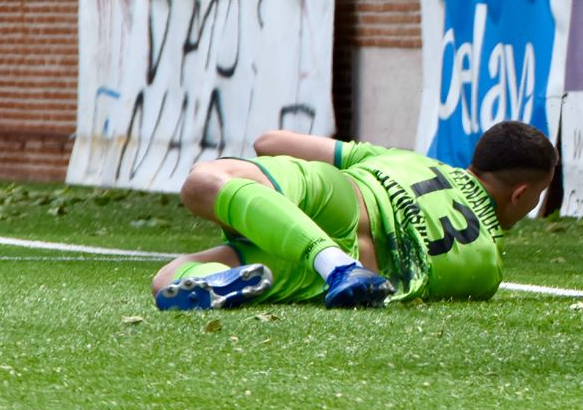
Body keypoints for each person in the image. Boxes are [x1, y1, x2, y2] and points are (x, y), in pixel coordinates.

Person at [150, 120, 557, 311]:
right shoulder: (486, 270)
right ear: (520, 194)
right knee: (165, 279)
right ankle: (335, 265)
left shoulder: (409, 160)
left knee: (202, 186)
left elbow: (268, 142)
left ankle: (329, 261)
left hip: (341, 198)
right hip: (365, 268)